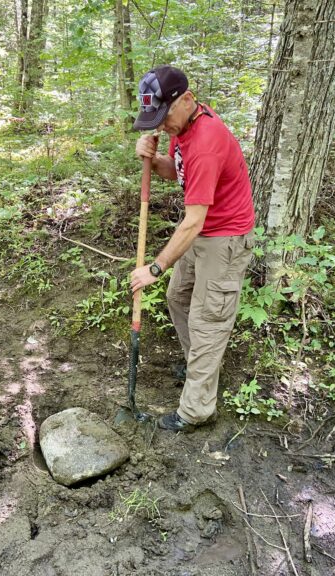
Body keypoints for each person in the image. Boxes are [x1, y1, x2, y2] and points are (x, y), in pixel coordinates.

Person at [131, 65, 255, 432]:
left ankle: (197, 409)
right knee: (179, 297)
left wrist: (154, 267)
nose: (162, 125)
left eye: (164, 116)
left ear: (187, 100)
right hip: (202, 232)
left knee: (208, 319)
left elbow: (193, 220)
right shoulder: (183, 127)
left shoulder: (205, 141)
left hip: (224, 239)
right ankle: (200, 365)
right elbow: (177, 172)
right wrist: (154, 162)